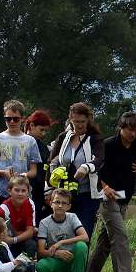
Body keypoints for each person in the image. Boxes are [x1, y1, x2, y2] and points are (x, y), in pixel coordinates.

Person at [85, 111, 136, 272]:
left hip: (124, 197)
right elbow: (95, 170)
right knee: (120, 234)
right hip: (106, 197)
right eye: (129, 130)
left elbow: (132, 167)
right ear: (120, 128)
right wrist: (104, 186)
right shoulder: (107, 145)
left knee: (106, 240)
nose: (133, 134)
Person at [48, 102, 104, 239]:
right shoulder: (63, 137)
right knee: (63, 235)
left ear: (88, 120)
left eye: (82, 122)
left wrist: (85, 168)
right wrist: (49, 187)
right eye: (76, 121)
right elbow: (51, 161)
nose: (79, 125)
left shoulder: (95, 138)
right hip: (64, 195)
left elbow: (99, 159)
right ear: (70, 120)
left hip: (87, 195)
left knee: (83, 236)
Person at [36, 189, 90, 272]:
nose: (60, 206)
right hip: (56, 259)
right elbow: (41, 251)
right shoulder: (44, 223)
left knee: (81, 246)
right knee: (41, 266)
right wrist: (56, 253)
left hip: (72, 259)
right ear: (51, 203)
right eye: (57, 202)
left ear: (68, 206)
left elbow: (85, 237)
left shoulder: (72, 217)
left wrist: (61, 242)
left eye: (64, 203)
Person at [0, 100, 41, 199]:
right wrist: (3, 173)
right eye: (8, 119)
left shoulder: (30, 140)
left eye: (15, 119)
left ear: (22, 119)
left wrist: (23, 175)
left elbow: (33, 171)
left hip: (21, 192)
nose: (11, 122)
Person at [0, 175, 37, 258]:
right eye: (17, 190)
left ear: (28, 192)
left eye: (23, 191)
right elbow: (4, 237)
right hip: (7, 242)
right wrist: (27, 232)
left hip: (17, 240)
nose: (20, 194)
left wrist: (14, 239)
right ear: (9, 191)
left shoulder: (30, 203)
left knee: (31, 244)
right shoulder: (3, 209)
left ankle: (30, 265)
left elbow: (30, 232)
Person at [23, 110, 53, 221]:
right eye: (41, 130)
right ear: (31, 125)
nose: (43, 134)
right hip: (21, 190)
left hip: (39, 194)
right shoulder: (20, 143)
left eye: (45, 131)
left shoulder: (44, 148)